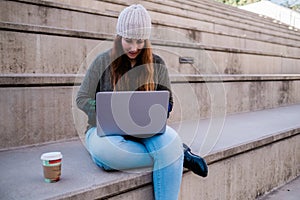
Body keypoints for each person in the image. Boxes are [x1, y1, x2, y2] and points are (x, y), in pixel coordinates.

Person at [76, 4, 208, 200]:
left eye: (140, 41)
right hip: (104, 130)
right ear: (119, 37)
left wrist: (158, 111)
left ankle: (173, 151)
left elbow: (168, 101)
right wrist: (103, 108)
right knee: (108, 155)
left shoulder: (157, 63)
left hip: (146, 129)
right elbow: (82, 98)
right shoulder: (102, 61)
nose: (134, 47)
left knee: (167, 142)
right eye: (128, 40)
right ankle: (178, 154)